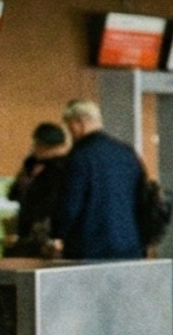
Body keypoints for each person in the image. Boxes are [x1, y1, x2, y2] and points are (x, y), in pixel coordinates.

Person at [54, 98, 147, 260]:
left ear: (78, 123)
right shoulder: (126, 153)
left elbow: (70, 205)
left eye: (68, 126)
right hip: (130, 245)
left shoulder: (79, 156)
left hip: (89, 248)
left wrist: (57, 235)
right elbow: (142, 197)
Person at [5, 122, 71, 258]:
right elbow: (14, 193)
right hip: (27, 228)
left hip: (47, 232)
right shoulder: (31, 165)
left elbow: (51, 202)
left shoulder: (62, 168)